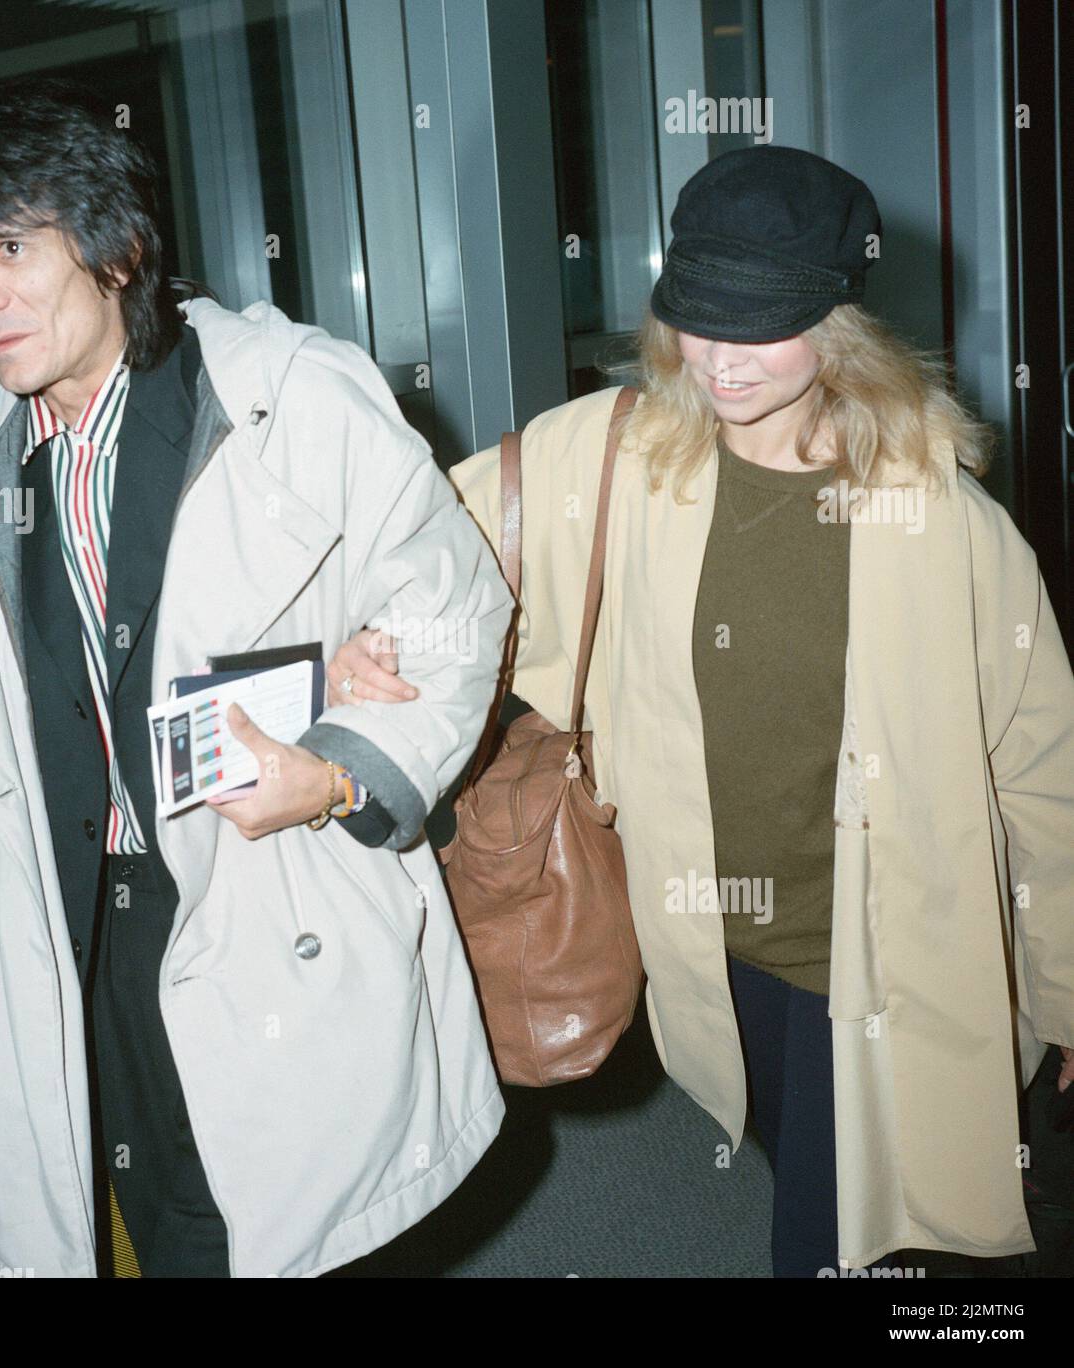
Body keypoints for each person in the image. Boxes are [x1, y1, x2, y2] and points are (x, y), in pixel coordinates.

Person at [330, 146, 1074, 1277]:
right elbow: (435, 549)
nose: (719, 362)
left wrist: (1069, 985)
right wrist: (374, 644)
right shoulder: (619, 455)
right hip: (711, 947)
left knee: (847, 1236)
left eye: (758, 325)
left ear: (838, 322)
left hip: (874, 956)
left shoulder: (946, 523)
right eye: (697, 321)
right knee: (802, 1170)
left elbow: (1040, 765)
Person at [0, 78, 512, 1278]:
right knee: (157, 1214)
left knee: (288, 1225)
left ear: (116, 247)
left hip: (261, 894)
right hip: (65, 926)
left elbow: (453, 611)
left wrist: (332, 776)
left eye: (12, 247)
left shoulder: (285, 399)